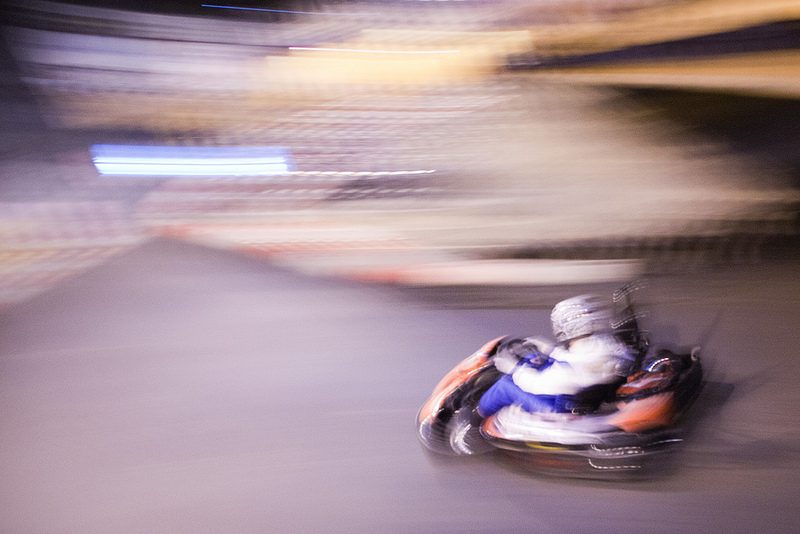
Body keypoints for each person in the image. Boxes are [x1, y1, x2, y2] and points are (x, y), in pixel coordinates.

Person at [477, 295, 636, 417]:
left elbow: (537, 384)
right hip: (583, 394)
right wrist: (550, 350)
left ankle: (476, 421)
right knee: (545, 365)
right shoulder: (604, 344)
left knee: (504, 386)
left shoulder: (568, 369)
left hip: (559, 408)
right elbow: (577, 360)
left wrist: (514, 370)